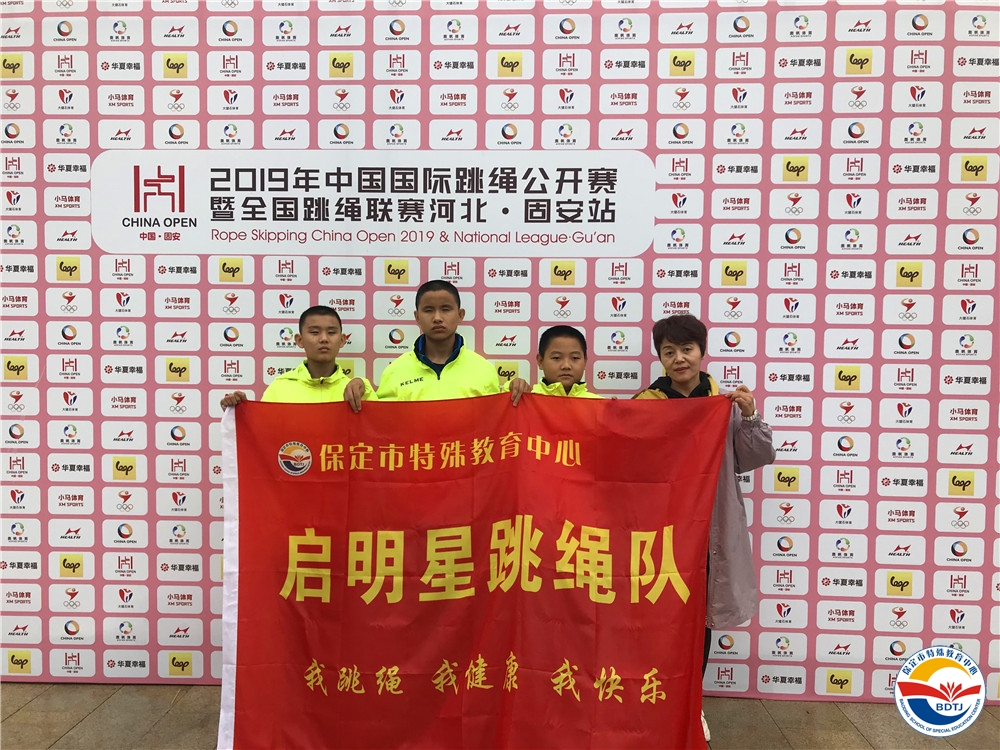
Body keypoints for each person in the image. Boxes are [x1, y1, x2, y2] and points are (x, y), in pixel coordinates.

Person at [634, 314, 775, 742]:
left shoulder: (724, 404)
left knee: (701, 621)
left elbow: (756, 457)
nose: (679, 358)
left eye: (687, 349)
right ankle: (655, 701)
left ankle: (691, 703)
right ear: (659, 357)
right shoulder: (646, 403)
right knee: (656, 619)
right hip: (660, 531)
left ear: (702, 351)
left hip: (710, 530)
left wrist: (750, 416)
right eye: (669, 351)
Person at [374, 279, 529, 404]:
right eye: (428, 310)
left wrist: (514, 391)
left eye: (445, 309)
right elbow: (381, 422)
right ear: (417, 317)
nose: (437, 318)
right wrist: (364, 391)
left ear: (460, 315)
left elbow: (496, 420)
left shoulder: (483, 370)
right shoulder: (395, 371)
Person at [219, 305, 375, 412]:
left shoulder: (356, 390)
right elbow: (262, 433)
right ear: (300, 340)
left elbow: (379, 431)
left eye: (331, 332)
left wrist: (365, 387)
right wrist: (241, 411)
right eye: (314, 332)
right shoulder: (279, 388)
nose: (324, 339)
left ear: (342, 340)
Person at [526, 325, 603, 398]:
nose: (566, 366)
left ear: (585, 361)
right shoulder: (526, 400)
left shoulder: (599, 405)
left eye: (575, 358)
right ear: (540, 361)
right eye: (556, 358)